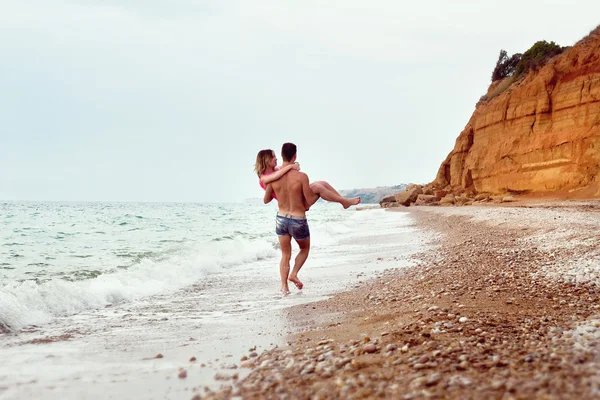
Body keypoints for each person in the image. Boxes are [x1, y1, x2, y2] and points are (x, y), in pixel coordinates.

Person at [262, 143, 319, 295]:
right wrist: (318, 194)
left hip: (281, 219)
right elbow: (309, 199)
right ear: (295, 156)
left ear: (281, 156)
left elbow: (266, 200)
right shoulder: (301, 177)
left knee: (285, 255)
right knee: (304, 249)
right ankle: (293, 274)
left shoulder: (274, 178)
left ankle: (284, 287)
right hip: (297, 219)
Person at [253, 149, 361, 209]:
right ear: (265, 159)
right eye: (272, 156)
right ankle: (344, 201)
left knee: (322, 183)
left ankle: (343, 202)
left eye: (275, 156)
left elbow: (285, 169)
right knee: (318, 187)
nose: (276, 158)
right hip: (294, 203)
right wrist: (291, 167)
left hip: (298, 195)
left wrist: (295, 165)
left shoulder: (276, 169)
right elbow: (276, 176)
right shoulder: (263, 178)